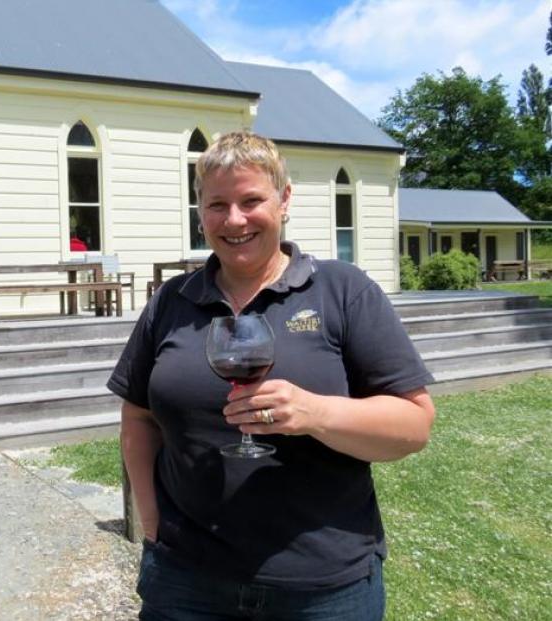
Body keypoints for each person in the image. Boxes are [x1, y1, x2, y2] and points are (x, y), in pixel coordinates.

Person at [108, 131, 435, 620]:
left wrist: (316, 413)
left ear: (284, 200)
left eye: (251, 200)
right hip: (185, 581)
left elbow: (414, 426)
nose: (234, 220)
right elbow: (138, 417)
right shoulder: (172, 301)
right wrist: (152, 522)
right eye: (217, 204)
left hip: (322, 591)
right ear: (200, 212)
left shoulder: (344, 291)